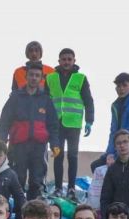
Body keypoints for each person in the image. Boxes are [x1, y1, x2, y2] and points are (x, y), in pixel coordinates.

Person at [0, 61, 60, 199]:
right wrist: (1, 142)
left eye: (37, 76)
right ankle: (17, 210)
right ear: (26, 76)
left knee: (36, 182)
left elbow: (53, 124)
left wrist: (55, 144)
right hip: (18, 146)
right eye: (31, 75)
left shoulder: (46, 99)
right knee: (17, 179)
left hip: (39, 147)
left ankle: (33, 209)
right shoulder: (15, 97)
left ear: (41, 78)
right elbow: (4, 121)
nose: (34, 78)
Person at [46, 48, 95, 199]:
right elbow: (45, 100)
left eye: (69, 59)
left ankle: (71, 189)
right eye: (64, 59)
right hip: (56, 123)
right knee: (58, 155)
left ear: (74, 61)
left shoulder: (80, 78)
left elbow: (88, 100)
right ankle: (58, 188)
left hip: (74, 124)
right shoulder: (50, 78)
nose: (66, 62)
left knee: (73, 156)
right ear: (59, 61)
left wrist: (89, 121)